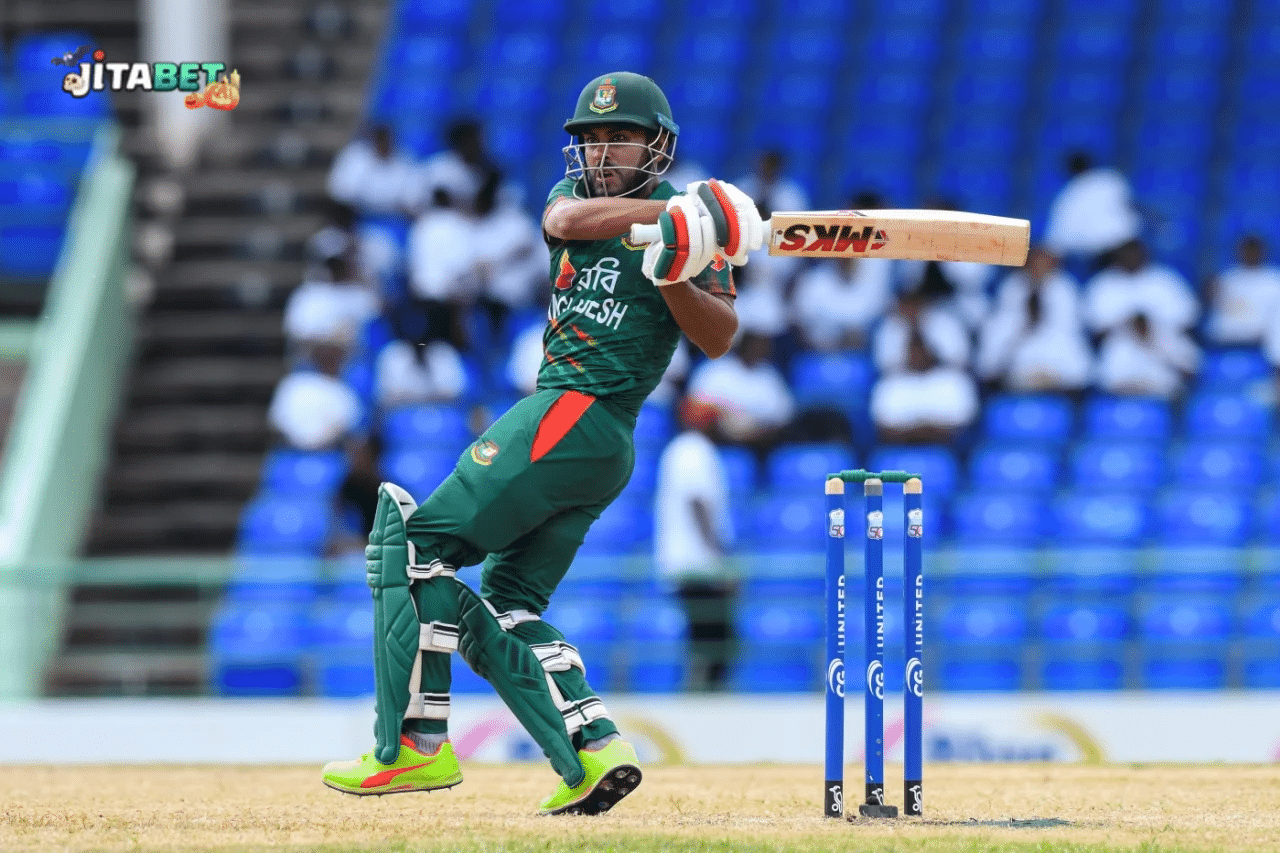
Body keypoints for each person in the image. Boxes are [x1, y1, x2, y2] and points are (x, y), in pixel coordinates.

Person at [321, 71, 765, 816]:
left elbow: (718, 337)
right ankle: (594, 749)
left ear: (656, 144)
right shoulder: (587, 206)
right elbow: (564, 223)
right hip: (587, 436)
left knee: (410, 545)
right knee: (508, 600)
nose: (600, 151)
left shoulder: (690, 236)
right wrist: (669, 217)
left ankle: (409, 749)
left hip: (581, 412)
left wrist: (675, 268)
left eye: (617, 136)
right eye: (590, 139)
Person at [654, 394, 736, 692]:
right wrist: (720, 560)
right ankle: (703, 695)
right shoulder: (694, 450)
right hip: (697, 563)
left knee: (706, 636)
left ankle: (701, 690)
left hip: (687, 561)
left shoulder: (680, 450)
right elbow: (697, 503)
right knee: (715, 638)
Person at [974, 246, 1093, 396]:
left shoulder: (1063, 289)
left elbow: (1082, 376)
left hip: (1057, 390)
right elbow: (988, 371)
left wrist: (1045, 381)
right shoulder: (1012, 288)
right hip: (1013, 391)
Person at [1044, 150, 1142, 274]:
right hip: (1098, 258)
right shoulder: (1110, 179)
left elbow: (1055, 242)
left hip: (1120, 251)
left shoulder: (1066, 197)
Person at [1205, 234, 1280, 347]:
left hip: (1263, 341)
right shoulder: (1227, 278)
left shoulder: (1274, 279)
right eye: (1247, 250)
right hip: (1225, 338)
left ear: (1262, 252)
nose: (1250, 254)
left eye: (1254, 250)